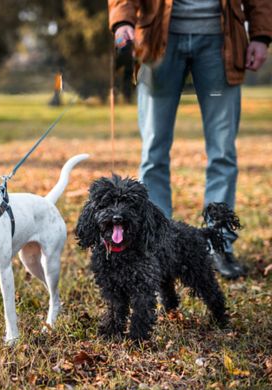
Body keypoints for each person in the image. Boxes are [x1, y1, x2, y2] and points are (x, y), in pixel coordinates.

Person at [108, 0, 272, 279]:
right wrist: (123, 20)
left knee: (222, 151)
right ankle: (158, 245)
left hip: (222, 41)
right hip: (159, 38)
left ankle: (218, 245)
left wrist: (260, 35)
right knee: (153, 150)